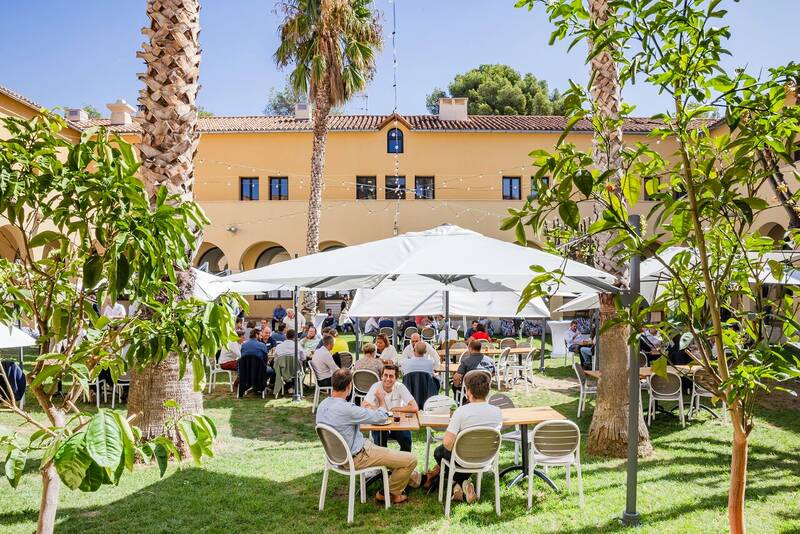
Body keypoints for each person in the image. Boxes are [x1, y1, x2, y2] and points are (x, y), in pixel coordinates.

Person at [315, 369, 420, 504]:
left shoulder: (322, 405)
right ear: (349, 386)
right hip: (359, 456)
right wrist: (382, 401)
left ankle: (417, 479)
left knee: (392, 457)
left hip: (336, 457)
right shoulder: (348, 409)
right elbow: (381, 417)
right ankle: (389, 493)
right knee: (411, 459)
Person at [424, 371, 502, 503]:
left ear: (468, 391)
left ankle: (457, 484)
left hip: (463, 459)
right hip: (487, 459)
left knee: (439, 452)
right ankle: (464, 484)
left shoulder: (461, 412)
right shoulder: (497, 412)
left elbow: (448, 443)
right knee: (456, 455)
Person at [363, 365, 418, 452]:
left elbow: (415, 407)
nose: (388, 379)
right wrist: (379, 407)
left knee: (406, 438)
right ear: (381, 376)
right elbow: (364, 406)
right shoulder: (376, 386)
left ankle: (403, 463)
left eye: (391, 376)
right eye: (385, 375)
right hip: (379, 422)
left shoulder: (400, 387)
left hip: (396, 422)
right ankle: (383, 464)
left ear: (396, 378)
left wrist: (395, 409)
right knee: (379, 441)